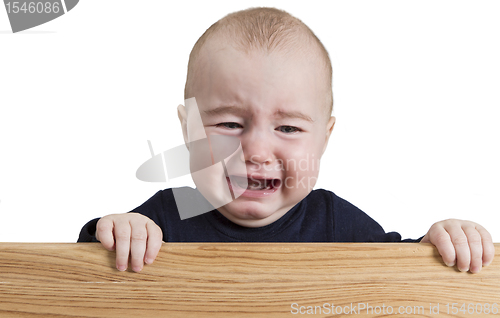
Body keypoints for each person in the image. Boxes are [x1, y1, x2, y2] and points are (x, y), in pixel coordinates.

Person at [78, 7, 494, 274]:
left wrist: (438, 242)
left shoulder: (334, 223)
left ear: (324, 139)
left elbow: (398, 273)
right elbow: (80, 272)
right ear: (187, 132)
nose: (256, 151)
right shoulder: (167, 219)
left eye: (289, 128)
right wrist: (115, 231)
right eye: (228, 124)